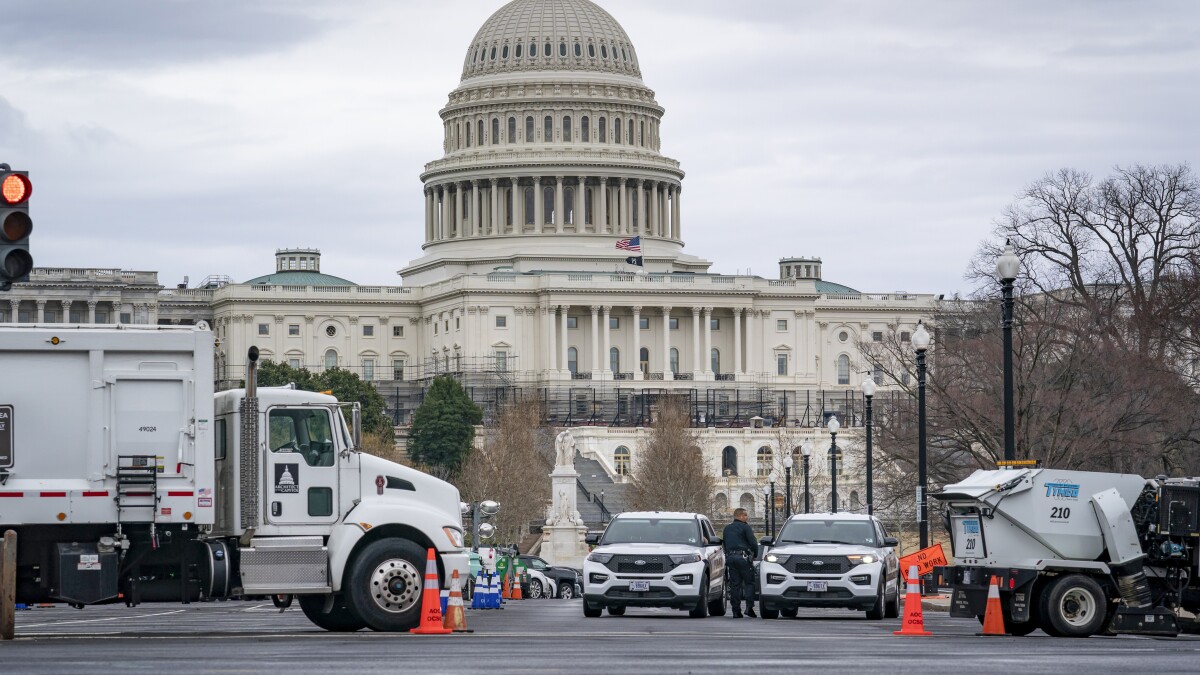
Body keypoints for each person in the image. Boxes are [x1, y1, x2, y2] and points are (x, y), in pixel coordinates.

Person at [722, 507, 758, 618]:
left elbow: (725, 544)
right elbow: (753, 542)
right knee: (749, 582)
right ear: (741, 516)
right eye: (746, 515)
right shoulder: (745, 527)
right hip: (743, 558)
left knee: (735, 585)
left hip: (731, 558)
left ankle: (736, 611)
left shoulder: (727, 528)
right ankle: (749, 607)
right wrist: (755, 555)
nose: (747, 517)